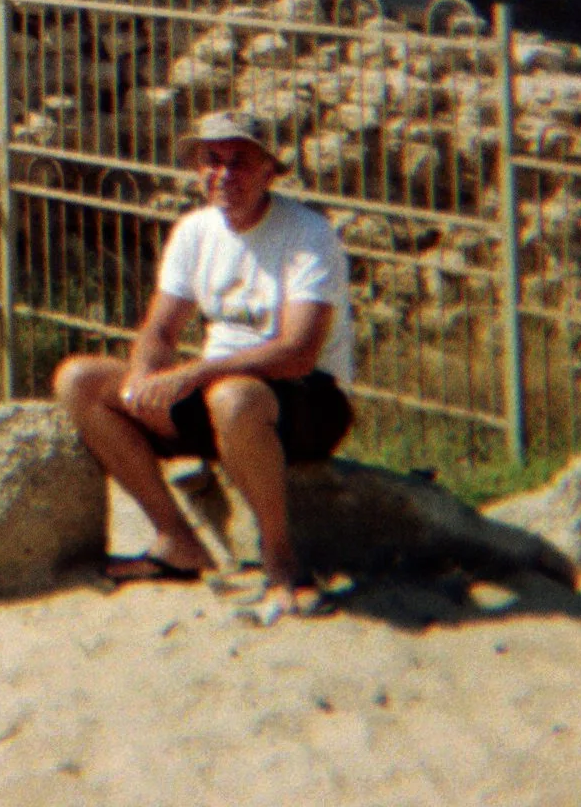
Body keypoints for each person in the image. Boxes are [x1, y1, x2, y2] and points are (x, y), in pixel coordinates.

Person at [54, 111, 356, 616]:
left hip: (303, 400)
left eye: (239, 163)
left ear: (268, 172)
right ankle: (175, 540)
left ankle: (280, 561)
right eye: (212, 162)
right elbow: (161, 327)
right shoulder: (195, 231)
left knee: (232, 396)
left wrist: (195, 373)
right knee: (80, 380)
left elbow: (298, 349)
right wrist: (146, 375)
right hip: (219, 390)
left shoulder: (307, 235)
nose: (224, 175)